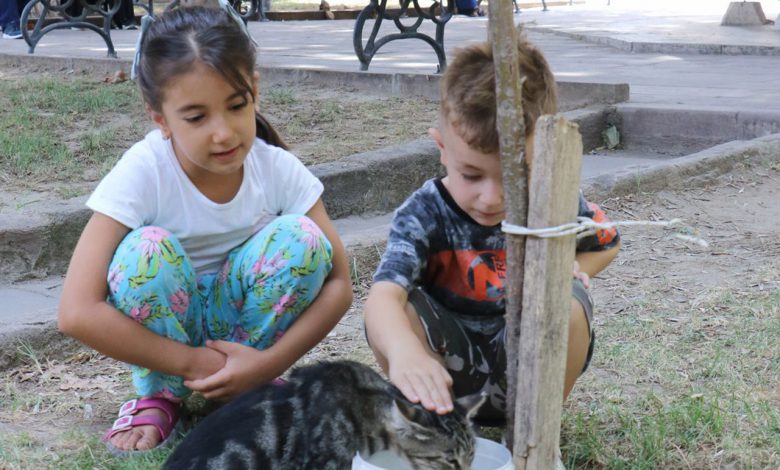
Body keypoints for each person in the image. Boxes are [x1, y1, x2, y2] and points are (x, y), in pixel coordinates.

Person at [58, 5, 353, 454]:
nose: (223, 133)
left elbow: (340, 283)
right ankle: (162, 394)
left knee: (304, 240)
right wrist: (192, 361)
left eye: (237, 106)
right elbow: (76, 310)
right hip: (170, 341)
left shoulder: (278, 170)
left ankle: (245, 385)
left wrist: (267, 363)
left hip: (250, 343)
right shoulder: (143, 171)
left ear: (254, 89)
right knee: (145, 252)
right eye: (196, 117)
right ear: (159, 117)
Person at [363, 35, 621, 426]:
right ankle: (436, 428)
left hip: (529, 371)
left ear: (544, 154)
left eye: (517, 175)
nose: (491, 197)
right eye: (472, 175)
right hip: (447, 378)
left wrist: (571, 264)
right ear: (442, 148)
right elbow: (381, 297)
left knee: (568, 299)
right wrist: (403, 350)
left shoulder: (550, 197)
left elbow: (607, 242)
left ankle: (537, 429)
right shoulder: (424, 212)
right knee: (401, 307)